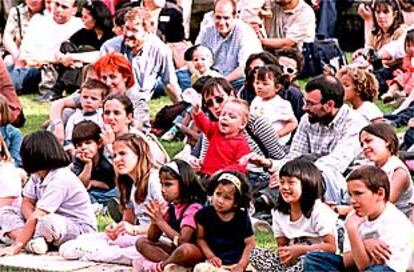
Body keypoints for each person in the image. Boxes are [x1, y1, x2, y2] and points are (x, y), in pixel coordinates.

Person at [60, 133, 164, 265]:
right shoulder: (131, 184)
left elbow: (168, 223)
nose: (117, 159)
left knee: (80, 250)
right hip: (135, 236)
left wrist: (134, 230)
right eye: (114, 156)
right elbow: (127, 221)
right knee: (76, 243)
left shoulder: (154, 181)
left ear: (139, 154)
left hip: (154, 240)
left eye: (122, 154)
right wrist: (116, 229)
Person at [0, 130, 96, 256]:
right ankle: (32, 242)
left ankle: (25, 240)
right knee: (5, 212)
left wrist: (17, 246)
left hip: (75, 227)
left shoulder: (60, 178)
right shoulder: (37, 176)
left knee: (47, 221)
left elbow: (40, 215)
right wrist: (32, 221)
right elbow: (27, 202)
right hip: (41, 222)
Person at [304, 165, 414, 272]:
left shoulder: (397, 224)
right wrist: (364, 245)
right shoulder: (353, 217)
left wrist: (353, 233)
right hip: (359, 266)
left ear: (380, 194)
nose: (352, 200)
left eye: (358, 194)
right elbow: (347, 262)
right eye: (350, 195)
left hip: (386, 269)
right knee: (315, 259)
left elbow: (364, 267)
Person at [249, 159, 338, 272]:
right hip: (292, 261)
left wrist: (300, 250)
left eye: (291, 183)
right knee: (254, 253)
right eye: (282, 182)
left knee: (307, 261)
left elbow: (331, 247)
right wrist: (284, 254)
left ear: (307, 184)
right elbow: (281, 245)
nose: (285, 187)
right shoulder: (278, 213)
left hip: (316, 261)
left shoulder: (319, 210)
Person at [134, 160, 207, 271]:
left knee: (185, 250)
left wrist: (161, 222)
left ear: (183, 184)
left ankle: (161, 267)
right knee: (141, 242)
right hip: (177, 250)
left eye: (168, 184)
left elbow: (184, 240)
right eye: (161, 184)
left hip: (195, 251)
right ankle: (173, 266)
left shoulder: (193, 207)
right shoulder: (172, 207)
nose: (163, 190)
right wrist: (155, 221)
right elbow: (152, 238)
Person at [100, 7, 182, 103]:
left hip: (139, 104)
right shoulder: (110, 47)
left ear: (147, 31)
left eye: (134, 30)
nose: (128, 34)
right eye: (126, 28)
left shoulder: (161, 50)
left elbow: (170, 83)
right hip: (111, 102)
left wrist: (181, 107)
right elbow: (98, 80)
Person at [37, 0, 114, 102]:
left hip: (96, 71)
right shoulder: (84, 32)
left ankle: (58, 89)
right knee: (67, 46)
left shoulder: (110, 35)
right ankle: (60, 87)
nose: (82, 20)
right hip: (76, 71)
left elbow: (102, 55)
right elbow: (62, 48)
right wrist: (63, 58)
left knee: (85, 49)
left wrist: (73, 57)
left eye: (85, 17)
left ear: (96, 18)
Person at [9, 0, 83, 95]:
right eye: (56, 4)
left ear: (74, 10)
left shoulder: (79, 26)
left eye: (64, 7)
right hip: (34, 67)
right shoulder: (38, 20)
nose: (58, 9)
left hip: (55, 72)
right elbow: (26, 53)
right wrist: (53, 59)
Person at [193, 171, 255, 272]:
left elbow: (250, 244)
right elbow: (200, 238)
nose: (220, 200)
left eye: (227, 198)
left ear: (236, 202)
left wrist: (241, 265)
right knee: (200, 268)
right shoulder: (204, 215)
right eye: (218, 194)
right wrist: (211, 256)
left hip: (237, 263)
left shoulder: (241, 217)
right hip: (217, 264)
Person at [195, 0, 262, 90]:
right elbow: (193, 55)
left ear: (235, 17)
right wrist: (199, 76)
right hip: (211, 76)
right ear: (213, 16)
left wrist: (221, 82)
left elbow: (245, 67)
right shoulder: (207, 30)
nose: (221, 22)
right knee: (181, 75)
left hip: (236, 79)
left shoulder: (244, 32)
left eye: (226, 18)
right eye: (218, 17)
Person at [359, 123, 414, 217]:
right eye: (362, 144)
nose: (364, 147)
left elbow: (383, 205)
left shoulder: (398, 172)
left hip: (393, 223)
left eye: (368, 141)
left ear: (386, 141)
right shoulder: (369, 166)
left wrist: (346, 210)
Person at [192, 97, 251, 176]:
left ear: (242, 124)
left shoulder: (242, 144)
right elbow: (203, 124)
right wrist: (197, 112)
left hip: (223, 180)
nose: (225, 118)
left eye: (231, 116)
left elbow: (241, 166)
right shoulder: (215, 130)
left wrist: (224, 171)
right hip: (205, 175)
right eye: (223, 114)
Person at [71, 121, 116, 206]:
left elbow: (110, 184)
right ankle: (98, 207)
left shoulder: (106, 159)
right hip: (90, 193)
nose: (83, 147)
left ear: (99, 143)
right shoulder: (78, 159)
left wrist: (93, 183)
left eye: (88, 143)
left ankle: (104, 206)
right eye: (79, 145)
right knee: (81, 195)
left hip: (108, 192)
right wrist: (88, 164)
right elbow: (80, 185)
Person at [251, 64, 298, 145]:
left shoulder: (281, 104)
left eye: (265, 84)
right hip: (257, 141)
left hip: (274, 144)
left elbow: (293, 123)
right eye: (257, 83)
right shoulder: (256, 100)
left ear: (277, 87)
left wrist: (277, 134)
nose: (259, 86)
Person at [63, 79, 108, 152]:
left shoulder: (103, 116)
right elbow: (68, 140)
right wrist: (73, 152)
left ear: (101, 102)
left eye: (94, 99)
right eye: (85, 97)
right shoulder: (74, 118)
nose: (88, 101)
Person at [2, 0, 44, 65]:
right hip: (20, 54)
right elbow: (7, 37)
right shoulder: (17, 11)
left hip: (42, 56)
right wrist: (17, 56)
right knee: (8, 60)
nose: (33, 1)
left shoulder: (50, 12)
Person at [382, 29, 414, 110]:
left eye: (413, 45)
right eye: (408, 45)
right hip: (407, 76)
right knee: (399, 79)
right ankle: (389, 94)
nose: (411, 49)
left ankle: (403, 95)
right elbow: (404, 66)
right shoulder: (407, 57)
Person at [0, 94, 23, 167]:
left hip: (6, 169)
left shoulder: (14, 133)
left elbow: (16, 161)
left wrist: (3, 143)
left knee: (21, 173)